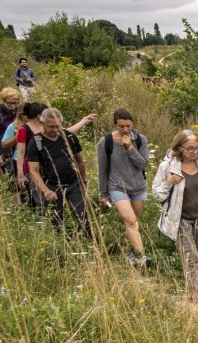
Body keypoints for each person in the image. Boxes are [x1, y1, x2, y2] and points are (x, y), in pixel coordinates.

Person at [153, 129, 198, 304]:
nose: (195, 152)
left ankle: (192, 296)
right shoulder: (167, 166)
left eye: (197, 148)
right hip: (180, 219)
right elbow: (157, 194)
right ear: (180, 148)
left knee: (196, 257)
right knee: (191, 257)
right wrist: (169, 182)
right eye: (190, 148)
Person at [97, 108, 151, 265]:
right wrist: (103, 193)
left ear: (132, 123)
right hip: (117, 187)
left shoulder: (141, 140)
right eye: (121, 126)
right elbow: (102, 169)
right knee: (130, 221)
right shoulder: (105, 142)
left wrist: (130, 148)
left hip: (138, 187)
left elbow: (143, 164)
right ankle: (142, 258)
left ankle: (131, 253)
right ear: (115, 124)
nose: (126, 129)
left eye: (128, 125)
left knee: (134, 223)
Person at [26, 108, 90, 237]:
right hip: (53, 186)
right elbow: (33, 171)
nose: (55, 130)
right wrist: (46, 190)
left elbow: (79, 160)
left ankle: (91, 245)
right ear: (42, 123)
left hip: (73, 183)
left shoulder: (69, 137)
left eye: (58, 126)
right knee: (57, 221)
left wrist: (83, 181)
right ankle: (64, 248)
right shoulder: (35, 143)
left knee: (82, 216)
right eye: (51, 127)